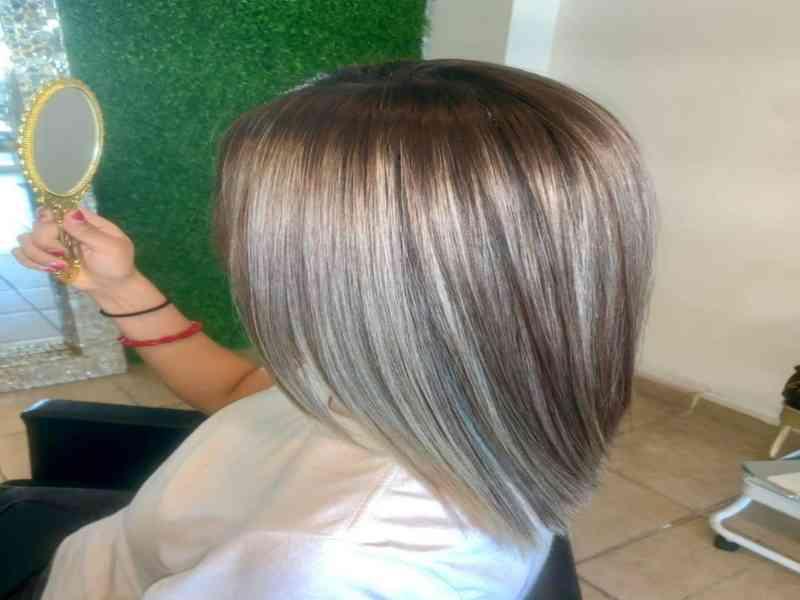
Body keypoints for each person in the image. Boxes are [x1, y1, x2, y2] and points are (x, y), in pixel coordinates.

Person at [7, 59, 655, 598]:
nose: (231, 250)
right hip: (118, 542)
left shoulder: (318, 566)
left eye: (249, 232)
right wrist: (119, 286)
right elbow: (237, 391)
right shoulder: (469, 396)